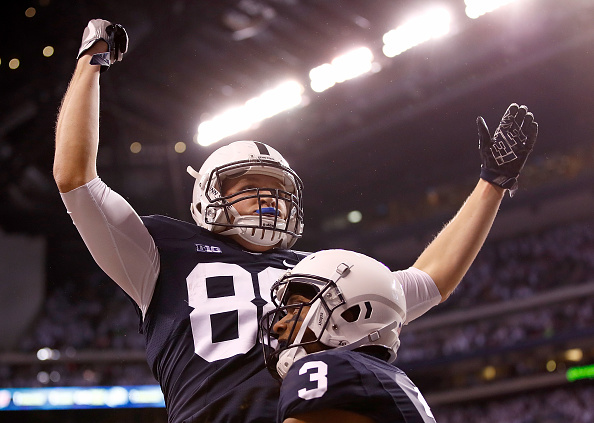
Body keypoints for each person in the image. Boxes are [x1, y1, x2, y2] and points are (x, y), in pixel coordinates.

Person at [52, 19, 537, 423]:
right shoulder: (164, 250)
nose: (269, 200)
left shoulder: (322, 269)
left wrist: (492, 183)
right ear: (208, 197)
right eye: (248, 188)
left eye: (280, 191)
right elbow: (76, 179)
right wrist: (90, 62)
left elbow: (430, 281)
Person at [259, 249, 437, 423]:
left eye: (295, 308)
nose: (278, 325)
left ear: (350, 314)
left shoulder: (331, 367)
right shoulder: (377, 375)